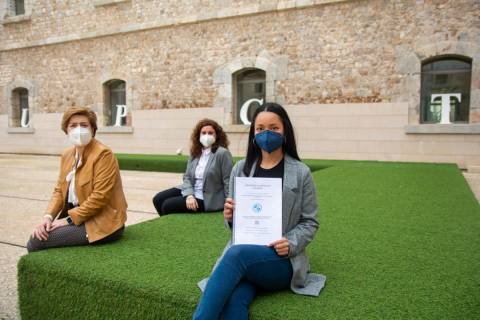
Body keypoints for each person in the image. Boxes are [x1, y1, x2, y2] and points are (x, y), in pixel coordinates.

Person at [193, 103, 326, 320]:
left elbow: (310, 222)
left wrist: (290, 242)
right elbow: (235, 225)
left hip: (281, 259)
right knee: (236, 297)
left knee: (235, 256)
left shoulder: (301, 173)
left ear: (285, 131)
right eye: (260, 128)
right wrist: (230, 217)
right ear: (253, 133)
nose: (267, 133)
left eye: (274, 128)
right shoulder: (241, 169)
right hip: (248, 252)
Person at [27, 106, 127, 252]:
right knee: (40, 233)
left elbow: (100, 197)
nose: (79, 129)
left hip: (103, 222)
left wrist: (67, 220)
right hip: (78, 216)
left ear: (93, 129)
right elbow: (59, 191)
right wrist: (48, 217)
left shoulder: (103, 154)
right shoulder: (67, 154)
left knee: (37, 241)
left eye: (84, 125)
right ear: (66, 130)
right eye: (73, 125)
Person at [152, 119, 233, 215]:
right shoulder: (195, 152)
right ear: (199, 135)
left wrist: (229, 204)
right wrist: (189, 195)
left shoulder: (222, 153)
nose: (207, 135)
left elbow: (228, 180)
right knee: (158, 199)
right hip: (191, 190)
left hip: (207, 197)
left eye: (210, 133)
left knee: (167, 205)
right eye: (203, 133)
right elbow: (187, 177)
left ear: (217, 135)